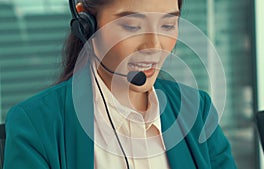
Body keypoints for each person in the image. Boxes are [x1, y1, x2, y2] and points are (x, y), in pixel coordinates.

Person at [3, 0, 237, 168]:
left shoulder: (196, 110)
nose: (154, 45)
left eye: (167, 25)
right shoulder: (35, 123)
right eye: (132, 26)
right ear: (87, 24)